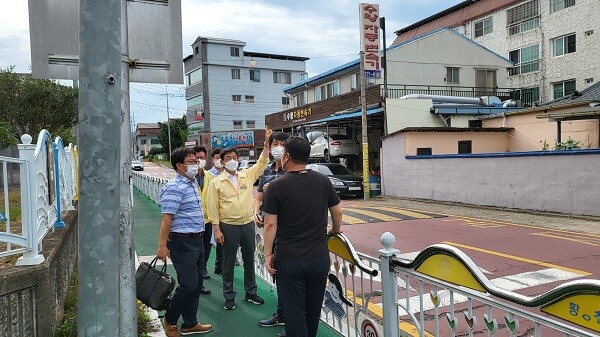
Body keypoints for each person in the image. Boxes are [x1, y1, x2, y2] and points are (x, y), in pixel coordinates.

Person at [262, 137, 343, 337]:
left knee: (294, 313)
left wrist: (267, 254)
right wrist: (335, 231)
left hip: (290, 260)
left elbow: (270, 224)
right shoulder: (323, 180)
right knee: (312, 310)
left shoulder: (276, 186)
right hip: (319, 258)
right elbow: (337, 212)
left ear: (287, 156)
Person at [206, 126, 272, 310]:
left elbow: (261, 163)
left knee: (250, 261)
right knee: (228, 263)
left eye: (235, 158)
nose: (233, 161)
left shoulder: (246, 176)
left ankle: (251, 293)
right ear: (222, 161)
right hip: (228, 227)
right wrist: (217, 230)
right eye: (229, 159)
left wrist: (266, 144)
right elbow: (212, 208)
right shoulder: (216, 182)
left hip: (248, 225)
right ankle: (229, 297)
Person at [156, 147, 213, 337]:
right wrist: (162, 246)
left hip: (197, 240)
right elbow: (167, 219)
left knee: (196, 285)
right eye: (191, 162)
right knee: (188, 285)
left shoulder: (192, 183)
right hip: (182, 242)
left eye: (196, 161)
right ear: (180, 166)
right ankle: (170, 320)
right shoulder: (174, 187)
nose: (195, 165)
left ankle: (190, 323)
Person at [255, 132, 289, 336]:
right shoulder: (267, 171)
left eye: (282, 144)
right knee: (278, 274)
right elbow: (258, 197)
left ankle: (289, 318)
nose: (278, 147)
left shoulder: (292, 172)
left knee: (286, 277)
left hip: (285, 229)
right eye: (274, 144)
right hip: (270, 228)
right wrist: (256, 212)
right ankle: (282, 314)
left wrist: (273, 189)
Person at [192, 146, 215, 292]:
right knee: (194, 253)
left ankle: (199, 282)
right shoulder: (188, 176)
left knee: (206, 250)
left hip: (207, 221)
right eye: (197, 158)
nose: (200, 160)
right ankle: (193, 282)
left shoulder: (210, 177)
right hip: (192, 223)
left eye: (202, 157)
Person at [208, 148, 224, 274]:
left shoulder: (229, 173)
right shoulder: (209, 175)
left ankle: (221, 264)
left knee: (223, 240)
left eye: (220, 158)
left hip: (225, 213)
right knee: (212, 240)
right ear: (212, 160)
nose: (219, 160)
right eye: (216, 157)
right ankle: (217, 265)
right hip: (212, 213)